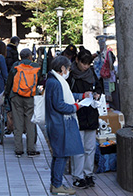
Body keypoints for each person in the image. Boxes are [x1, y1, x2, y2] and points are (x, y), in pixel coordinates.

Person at [45, 55, 84, 196]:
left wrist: (80, 97)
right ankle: (57, 185)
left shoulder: (52, 80)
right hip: (59, 123)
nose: (68, 71)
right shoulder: (56, 83)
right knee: (61, 155)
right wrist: (75, 107)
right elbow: (59, 105)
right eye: (68, 68)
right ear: (62, 68)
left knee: (58, 155)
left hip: (55, 122)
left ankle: (55, 183)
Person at [67, 50, 103, 189]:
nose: (86, 66)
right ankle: (78, 176)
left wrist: (97, 94)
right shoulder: (71, 75)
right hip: (78, 114)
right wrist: (82, 95)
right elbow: (68, 95)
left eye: (88, 64)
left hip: (91, 113)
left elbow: (99, 87)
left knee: (90, 147)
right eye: (83, 63)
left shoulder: (92, 73)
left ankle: (88, 174)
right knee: (78, 148)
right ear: (77, 60)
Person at [5, 48, 41, 157]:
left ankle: (18, 149)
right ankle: (31, 149)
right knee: (30, 122)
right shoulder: (35, 66)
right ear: (30, 56)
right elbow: (38, 81)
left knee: (18, 122)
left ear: (21, 57)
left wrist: (7, 93)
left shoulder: (16, 66)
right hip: (30, 96)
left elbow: (10, 81)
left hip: (16, 96)